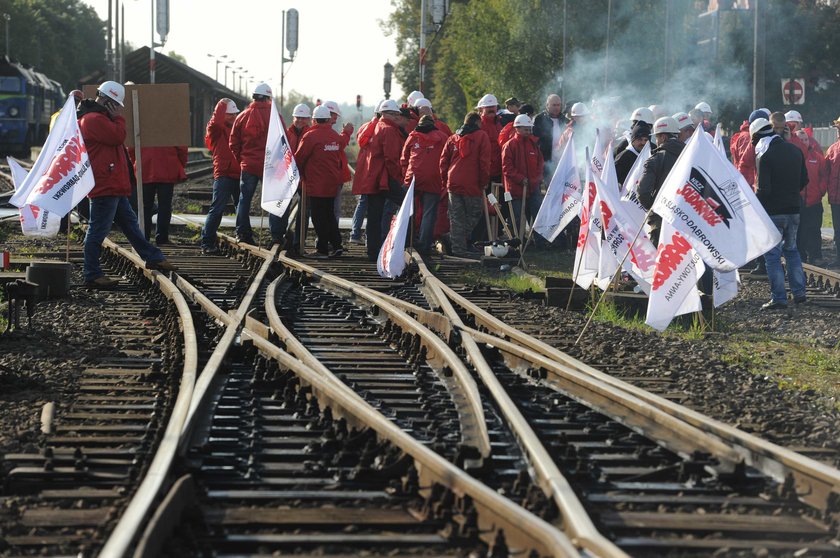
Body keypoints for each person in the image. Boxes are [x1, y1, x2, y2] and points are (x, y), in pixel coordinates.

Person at [78, 81, 176, 288]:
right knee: (97, 230)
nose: (116, 109)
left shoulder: (98, 118)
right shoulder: (94, 120)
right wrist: (118, 118)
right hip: (105, 185)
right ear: (106, 100)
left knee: (131, 227)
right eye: (115, 104)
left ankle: (153, 256)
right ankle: (92, 274)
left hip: (112, 183)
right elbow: (118, 136)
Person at [751, 117, 809, 309]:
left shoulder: (764, 155)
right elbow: (804, 180)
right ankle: (799, 293)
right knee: (792, 251)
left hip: (773, 213)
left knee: (772, 256)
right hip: (794, 210)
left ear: (757, 136)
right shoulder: (795, 150)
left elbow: (764, 189)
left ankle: (779, 298)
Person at [353, 99, 407, 261]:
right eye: (396, 114)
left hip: (373, 179)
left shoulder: (375, 126)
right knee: (407, 205)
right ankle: (405, 244)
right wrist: (398, 178)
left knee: (374, 217)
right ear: (389, 114)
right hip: (385, 179)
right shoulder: (389, 130)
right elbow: (391, 158)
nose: (398, 117)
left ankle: (373, 251)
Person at [295, 104, 346, 258]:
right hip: (331, 183)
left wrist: (302, 174)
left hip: (315, 183)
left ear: (314, 120)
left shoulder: (310, 136)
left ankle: (322, 249)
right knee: (329, 215)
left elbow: (299, 158)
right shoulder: (334, 136)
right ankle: (337, 245)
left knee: (318, 217)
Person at [440, 111, 490, 258]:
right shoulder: (482, 136)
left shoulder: (452, 138)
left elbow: (443, 162)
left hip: (453, 182)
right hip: (471, 183)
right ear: (477, 122)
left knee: (456, 217)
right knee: (474, 213)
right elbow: (484, 162)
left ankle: (456, 246)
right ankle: (457, 243)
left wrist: (445, 181)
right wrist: (483, 182)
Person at [229, 82, 273, 245]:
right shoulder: (274, 116)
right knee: (273, 199)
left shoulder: (242, 116)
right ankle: (276, 234)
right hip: (269, 166)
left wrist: (242, 160)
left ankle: (242, 232)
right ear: (268, 98)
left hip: (248, 165)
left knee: (244, 200)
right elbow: (284, 140)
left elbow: (233, 142)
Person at [401, 114, 449, 255]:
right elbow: (447, 158)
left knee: (408, 211)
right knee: (429, 213)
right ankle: (424, 245)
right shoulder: (443, 137)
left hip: (413, 178)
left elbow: (404, 159)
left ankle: (406, 242)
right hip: (434, 178)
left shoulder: (413, 136)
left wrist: (406, 176)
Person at [786, 110, 827, 265]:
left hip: (814, 200)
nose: (803, 141)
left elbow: (824, 175)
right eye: (800, 139)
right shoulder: (792, 154)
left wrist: (821, 191)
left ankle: (816, 256)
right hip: (799, 199)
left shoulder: (817, 157)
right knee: (799, 231)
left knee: (814, 230)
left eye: (805, 139)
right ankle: (801, 256)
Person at [201, 99, 241, 254]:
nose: (232, 117)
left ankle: (243, 236)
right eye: (229, 114)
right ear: (222, 114)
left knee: (241, 209)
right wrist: (220, 105)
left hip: (239, 173)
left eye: (234, 114)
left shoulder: (238, 128)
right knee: (217, 209)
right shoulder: (216, 130)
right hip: (224, 174)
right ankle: (207, 243)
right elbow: (215, 124)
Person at [637, 116, 685, 245]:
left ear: (663, 137)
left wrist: (654, 207)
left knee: (660, 262)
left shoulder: (656, 159)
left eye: (657, 137)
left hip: (661, 220)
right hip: (687, 222)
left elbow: (643, 192)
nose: (656, 141)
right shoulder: (690, 156)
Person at [131, 145, 187, 244]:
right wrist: (180, 164)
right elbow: (182, 147)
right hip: (167, 167)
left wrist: (137, 161)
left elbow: (131, 148)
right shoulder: (173, 128)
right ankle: (162, 238)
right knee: (164, 206)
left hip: (145, 166)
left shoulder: (141, 128)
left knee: (145, 207)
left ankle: (143, 237)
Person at [501, 114, 544, 236]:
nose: (528, 131)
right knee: (517, 218)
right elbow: (507, 168)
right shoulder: (509, 145)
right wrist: (521, 179)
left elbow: (540, 163)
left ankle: (539, 240)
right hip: (515, 189)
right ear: (517, 128)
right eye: (526, 129)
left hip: (532, 186)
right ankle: (518, 241)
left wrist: (536, 179)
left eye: (529, 129)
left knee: (537, 214)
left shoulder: (533, 144)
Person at [349, 104, 382, 244]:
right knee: (376, 206)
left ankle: (355, 234)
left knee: (363, 202)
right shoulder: (383, 129)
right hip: (377, 172)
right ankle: (371, 238)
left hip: (364, 170)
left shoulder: (364, 127)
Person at [533, 94, 566, 181]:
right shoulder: (539, 119)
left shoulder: (564, 120)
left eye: (558, 105)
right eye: (554, 105)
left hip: (561, 161)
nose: (556, 107)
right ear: (547, 105)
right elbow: (533, 140)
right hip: (545, 160)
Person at [476, 94, 503, 182]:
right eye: (488, 107)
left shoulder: (501, 123)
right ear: (481, 109)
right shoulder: (477, 125)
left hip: (499, 171)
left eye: (493, 106)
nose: (491, 109)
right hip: (483, 171)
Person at [825, 117, 840, 267]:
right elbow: (825, 172)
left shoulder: (833, 149)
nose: (838, 131)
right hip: (835, 199)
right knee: (838, 230)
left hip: (836, 197)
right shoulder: (832, 149)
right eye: (837, 129)